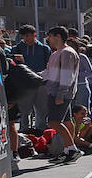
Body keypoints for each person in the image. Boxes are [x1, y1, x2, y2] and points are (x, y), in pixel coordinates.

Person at [42, 26, 82, 164]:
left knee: (53, 121)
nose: (48, 39)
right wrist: (33, 76)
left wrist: (61, 94)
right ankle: (67, 150)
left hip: (60, 93)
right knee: (66, 121)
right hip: (54, 90)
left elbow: (67, 75)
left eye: (50, 36)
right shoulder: (56, 53)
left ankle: (72, 148)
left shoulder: (67, 53)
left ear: (58, 36)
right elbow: (47, 72)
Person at [11, 25, 50, 132]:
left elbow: (49, 66)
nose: (25, 38)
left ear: (34, 35)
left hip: (41, 84)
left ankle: (40, 132)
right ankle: (24, 132)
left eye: (28, 36)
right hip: (24, 85)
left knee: (42, 110)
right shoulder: (16, 49)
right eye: (23, 36)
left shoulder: (44, 49)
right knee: (24, 111)